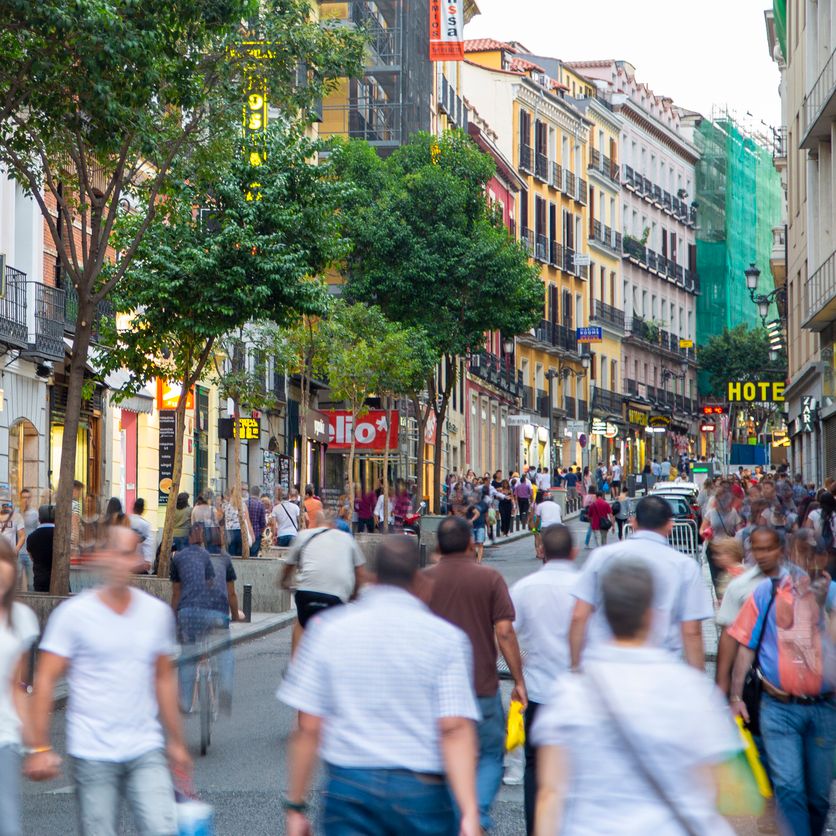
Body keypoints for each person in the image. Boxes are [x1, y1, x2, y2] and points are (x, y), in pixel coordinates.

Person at [278, 536, 480, 836]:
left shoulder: (329, 630)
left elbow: (308, 726)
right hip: (422, 788)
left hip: (349, 785)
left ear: (373, 576)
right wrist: (469, 813)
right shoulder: (445, 638)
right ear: (417, 579)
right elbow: (454, 728)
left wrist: (296, 807)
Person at [534, 559, 740, 836]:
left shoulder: (569, 692)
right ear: (653, 615)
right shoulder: (692, 689)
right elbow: (725, 790)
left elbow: (550, 793)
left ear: (602, 615)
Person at [26, 526, 190, 836]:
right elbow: (45, 679)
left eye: (129, 553)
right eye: (116, 552)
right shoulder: (74, 615)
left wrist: (178, 742)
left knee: (161, 827)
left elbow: (164, 679)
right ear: (100, 557)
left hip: (145, 746)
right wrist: (39, 747)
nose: (121, 561)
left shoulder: (155, 614)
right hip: (92, 750)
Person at [422, 516, 527, 832]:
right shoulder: (490, 578)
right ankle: (474, 815)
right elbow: (505, 632)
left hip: (434, 690)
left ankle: (453, 814)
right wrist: (519, 680)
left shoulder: (421, 581)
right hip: (480, 685)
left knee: (438, 757)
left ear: (438, 545)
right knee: (489, 756)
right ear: (471, 544)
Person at [729, 536, 836, 836]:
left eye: (813, 556)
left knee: (818, 797)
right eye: (800, 556)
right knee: (789, 788)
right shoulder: (768, 592)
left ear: (824, 559)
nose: (806, 564)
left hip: (824, 708)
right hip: (778, 707)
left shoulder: (832, 596)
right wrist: (736, 694)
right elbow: (746, 645)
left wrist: (821, 603)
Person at [569, 495, 713, 670]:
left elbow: (579, 616)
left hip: (606, 667)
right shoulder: (685, 566)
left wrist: (576, 667)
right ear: (670, 525)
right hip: (660, 669)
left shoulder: (602, 557)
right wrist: (696, 682)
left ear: (634, 522)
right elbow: (692, 631)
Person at [510, 524, 577, 835]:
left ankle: (536, 828)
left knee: (535, 766)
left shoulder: (524, 588)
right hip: (576, 693)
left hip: (537, 691)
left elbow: (506, 632)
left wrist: (518, 673)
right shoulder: (585, 588)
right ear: (574, 552)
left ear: (541, 552)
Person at [171, 524, 242, 714]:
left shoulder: (179, 558)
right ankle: (225, 687)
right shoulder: (224, 559)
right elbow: (231, 593)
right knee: (224, 652)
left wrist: (174, 618)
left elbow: (176, 594)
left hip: (188, 614)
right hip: (217, 613)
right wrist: (236, 615)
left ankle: (185, 703)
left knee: (187, 656)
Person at [280, 510, 366, 651]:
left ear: (316, 522)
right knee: (337, 631)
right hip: (336, 596)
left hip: (306, 594)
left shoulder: (304, 535)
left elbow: (288, 566)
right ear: (334, 524)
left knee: (300, 625)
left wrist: (283, 582)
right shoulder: (347, 539)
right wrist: (354, 596)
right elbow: (360, 573)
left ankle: (295, 667)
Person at [715, 526, 785, 697]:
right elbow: (728, 635)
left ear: (780, 550)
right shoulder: (739, 586)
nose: (763, 555)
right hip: (752, 676)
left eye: (769, 549)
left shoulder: (797, 582)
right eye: (758, 549)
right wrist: (723, 682)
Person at [0, 537, 39, 835]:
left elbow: (19, 686)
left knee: (8, 825)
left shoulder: (21, 619)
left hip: (4, 738)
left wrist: (39, 746)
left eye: (6, 562)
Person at [27, 505, 55, 594]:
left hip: (40, 581)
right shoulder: (61, 535)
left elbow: (32, 557)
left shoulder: (31, 537)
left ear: (39, 519)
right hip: (59, 580)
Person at [16, 489, 37, 593]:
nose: (26, 500)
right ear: (20, 499)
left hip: (30, 553)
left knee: (31, 584)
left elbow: (37, 532)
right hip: (18, 552)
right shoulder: (16, 513)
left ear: (31, 499)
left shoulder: (35, 514)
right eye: (24, 497)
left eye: (28, 498)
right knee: (17, 583)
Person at [532, 492, 562, 560]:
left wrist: (535, 529)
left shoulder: (540, 505)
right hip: (557, 526)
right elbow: (560, 517)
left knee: (544, 541)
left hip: (545, 526)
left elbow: (537, 519)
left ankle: (542, 553)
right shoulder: (557, 505)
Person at [128, 498, 154, 574]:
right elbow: (148, 543)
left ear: (133, 508)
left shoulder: (126, 521)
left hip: (127, 561)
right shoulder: (145, 524)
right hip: (140, 562)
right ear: (143, 510)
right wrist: (148, 560)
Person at [467, 486, 491, 563]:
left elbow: (486, 516)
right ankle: (475, 558)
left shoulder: (484, 504)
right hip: (471, 526)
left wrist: (488, 528)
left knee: (480, 543)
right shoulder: (469, 504)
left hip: (481, 525)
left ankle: (479, 561)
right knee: (473, 544)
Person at [244, 485, 267, 557]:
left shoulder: (244, 503)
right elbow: (263, 522)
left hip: (245, 532)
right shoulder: (260, 505)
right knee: (253, 556)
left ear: (250, 493)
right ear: (259, 494)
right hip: (256, 533)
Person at [0, 497, 24, 562]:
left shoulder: (17, 517)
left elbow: (22, 536)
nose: (6, 507)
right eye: (4, 505)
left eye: (8, 505)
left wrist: (16, 550)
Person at [222, 487, 243, 556]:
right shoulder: (242, 504)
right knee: (239, 553)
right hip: (239, 530)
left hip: (229, 531)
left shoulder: (225, 505)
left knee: (231, 553)